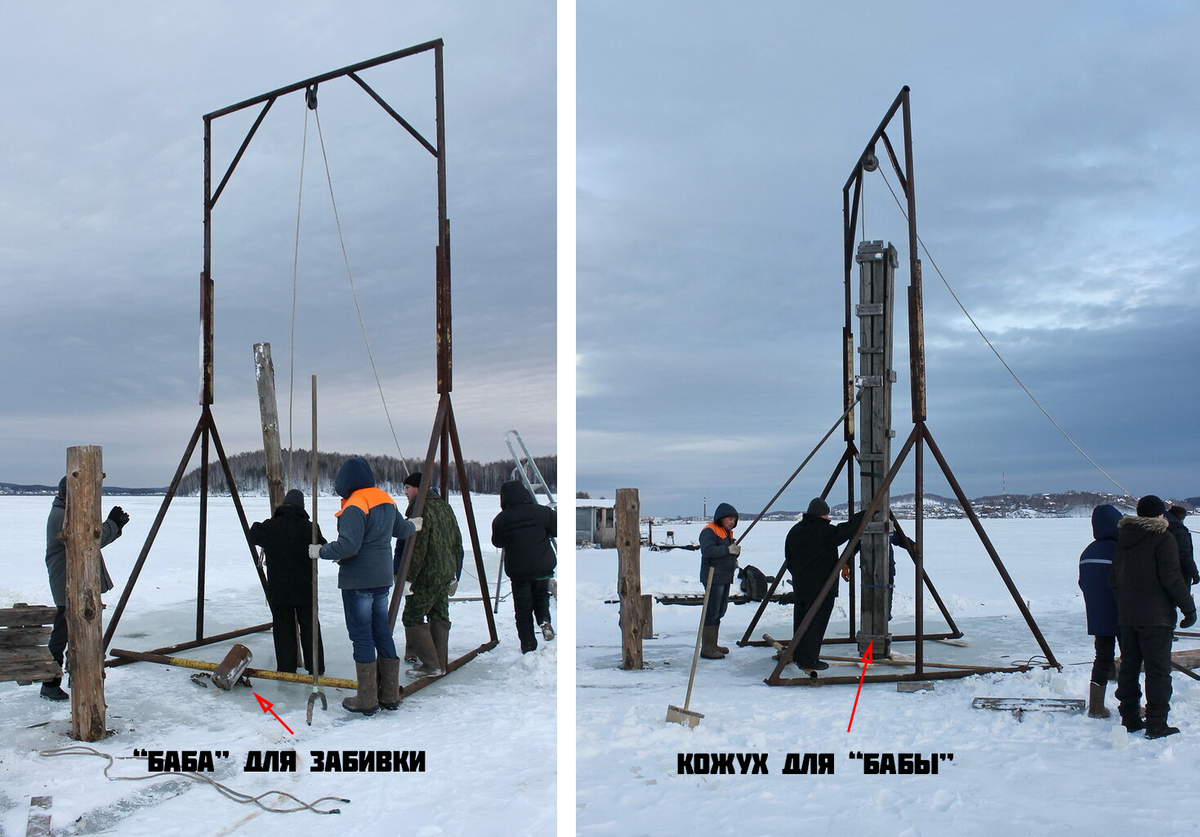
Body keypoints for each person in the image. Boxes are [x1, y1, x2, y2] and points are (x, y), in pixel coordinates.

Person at [312, 457, 418, 715]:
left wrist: (321, 551)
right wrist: (415, 524)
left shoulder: (355, 505)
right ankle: (390, 694)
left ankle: (367, 698)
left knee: (361, 635)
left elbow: (349, 546)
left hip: (358, 580)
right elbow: (402, 530)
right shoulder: (385, 499)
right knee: (381, 631)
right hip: (382, 579)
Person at [1110, 494, 1197, 738]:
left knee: (1129, 667)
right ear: (1160, 515)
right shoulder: (1163, 538)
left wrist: (1125, 606)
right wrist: (1188, 608)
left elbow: (1114, 580)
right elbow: (1171, 578)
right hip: (1156, 618)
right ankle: (1157, 723)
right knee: (1157, 671)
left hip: (1128, 617)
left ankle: (1129, 718)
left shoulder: (1124, 538)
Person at [42, 476, 126, 701]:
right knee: (63, 633)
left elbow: (90, 538)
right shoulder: (62, 516)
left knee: (79, 631)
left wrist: (112, 527)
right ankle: (49, 683)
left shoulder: (67, 511)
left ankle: (75, 675)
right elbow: (88, 539)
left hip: (77, 583)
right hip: (67, 585)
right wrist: (113, 525)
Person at [249, 489, 326, 675]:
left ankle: (286, 667)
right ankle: (315, 667)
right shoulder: (310, 527)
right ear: (302, 507)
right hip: (305, 587)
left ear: (283, 505)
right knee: (309, 626)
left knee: (283, 627)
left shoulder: (271, 526)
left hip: (279, 588)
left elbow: (253, 533)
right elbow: (323, 546)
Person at [783, 497, 865, 672]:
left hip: (801, 585)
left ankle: (798, 654)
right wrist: (865, 514)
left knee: (801, 620)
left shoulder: (795, 531)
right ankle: (809, 661)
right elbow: (847, 530)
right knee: (815, 624)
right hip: (822, 587)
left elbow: (788, 558)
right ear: (824, 515)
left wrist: (799, 576)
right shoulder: (824, 531)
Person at [397, 472, 461, 678]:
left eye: (407, 488)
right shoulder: (444, 506)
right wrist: (454, 571)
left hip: (426, 575)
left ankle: (431, 665)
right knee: (439, 614)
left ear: (417, 488)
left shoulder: (420, 508)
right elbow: (456, 540)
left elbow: (417, 547)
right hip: (444, 573)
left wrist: (407, 577)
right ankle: (439, 662)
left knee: (412, 616)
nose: (405, 492)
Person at [491, 480, 557, 653]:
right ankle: (544, 621)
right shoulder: (543, 512)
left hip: (519, 571)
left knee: (523, 607)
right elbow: (558, 529)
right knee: (542, 596)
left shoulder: (501, 519)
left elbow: (497, 542)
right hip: (543, 566)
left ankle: (528, 645)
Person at [1077, 504, 1121, 718]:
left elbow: (1082, 583)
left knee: (1102, 657)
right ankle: (1129, 705)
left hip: (1098, 616)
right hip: (1123, 615)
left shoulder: (1088, 551)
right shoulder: (1121, 550)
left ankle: (1096, 707)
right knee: (1130, 660)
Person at [698, 502, 739, 659]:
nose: (732, 522)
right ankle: (707, 648)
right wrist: (728, 550)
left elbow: (726, 553)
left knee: (720, 610)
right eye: (729, 519)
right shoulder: (710, 531)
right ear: (721, 518)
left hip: (725, 576)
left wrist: (734, 555)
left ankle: (713, 644)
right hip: (713, 577)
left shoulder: (727, 533)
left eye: (734, 520)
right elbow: (708, 551)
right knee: (712, 611)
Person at [1165, 505, 1198, 586]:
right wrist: (1194, 572)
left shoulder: (1162, 527)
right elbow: (1185, 555)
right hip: (1179, 573)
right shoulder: (1179, 531)